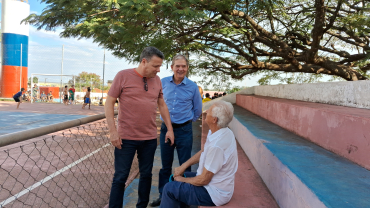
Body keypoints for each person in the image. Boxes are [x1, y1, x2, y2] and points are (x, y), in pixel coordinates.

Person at [105, 46, 174, 208]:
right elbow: (109, 103)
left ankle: (141, 206)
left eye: (159, 66)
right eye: (155, 66)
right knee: (120, 177)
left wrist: (170, 129)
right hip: (125, 139)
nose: (158, 70)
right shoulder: (123, 76)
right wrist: (113, 131)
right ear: (144, 61)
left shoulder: (156, 80)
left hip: (149, 138)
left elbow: (162, 105)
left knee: (146, 175)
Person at [160, 101, 238, 208]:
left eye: (209, 110)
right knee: (177, 177)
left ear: (214, 120)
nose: (206, 111)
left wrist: (183, 180)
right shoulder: (221, 130)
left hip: (214, 193)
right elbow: (204, 152)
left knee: (169, 188)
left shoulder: (217, 146)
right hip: (215, 184)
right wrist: (183, 166)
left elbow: (204, 179)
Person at [150, 54, 202, 207]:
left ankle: (185, 198)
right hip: (167, 129)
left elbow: (198, 110)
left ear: (187, 68)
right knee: (166, 165)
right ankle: (163, 195)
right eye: (177, 66)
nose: (180, 69)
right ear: (171, 67)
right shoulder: (162, 82)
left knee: (185, 164)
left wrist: (187, 121)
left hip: (184, 130)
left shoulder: (192, 86)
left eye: (183, 66)